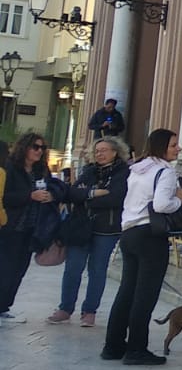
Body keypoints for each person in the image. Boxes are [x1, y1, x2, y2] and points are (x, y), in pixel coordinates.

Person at [100, 129, 182, 365]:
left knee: (127, 290)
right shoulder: (165, 171)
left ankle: (113, 345)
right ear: (161, 147)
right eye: (173, 145)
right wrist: (180, 199)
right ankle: (137, 348)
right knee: (145, 295)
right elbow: (161, 204)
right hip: (150, 235)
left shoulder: (138, 168)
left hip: (129, 231)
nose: (178, 149)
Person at [50, 137, 131, 327]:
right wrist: (94, 193)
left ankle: (89, 311)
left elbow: (116, 198)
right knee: (72, 268)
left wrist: (85, 196)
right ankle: (65, 307)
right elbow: (71, 193)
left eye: (104, 150)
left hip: (107, 229)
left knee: (97, 270)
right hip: (81, 227)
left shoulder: (124, 173)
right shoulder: (89, 171)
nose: (99, 154)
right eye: (97, 151)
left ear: (115, 152)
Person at [0, 133, 66, 324]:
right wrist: (30, 196)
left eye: (42, 148)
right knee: (7, 268)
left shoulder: (41, 170)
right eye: (35, 147)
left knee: (20, 269)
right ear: (25, 148)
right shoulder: (10, 168)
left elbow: (54, 186)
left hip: (33, 226)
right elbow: (5, 197)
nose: (39, 151)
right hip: (11, 226)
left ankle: (5, 306)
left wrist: (51, 195)